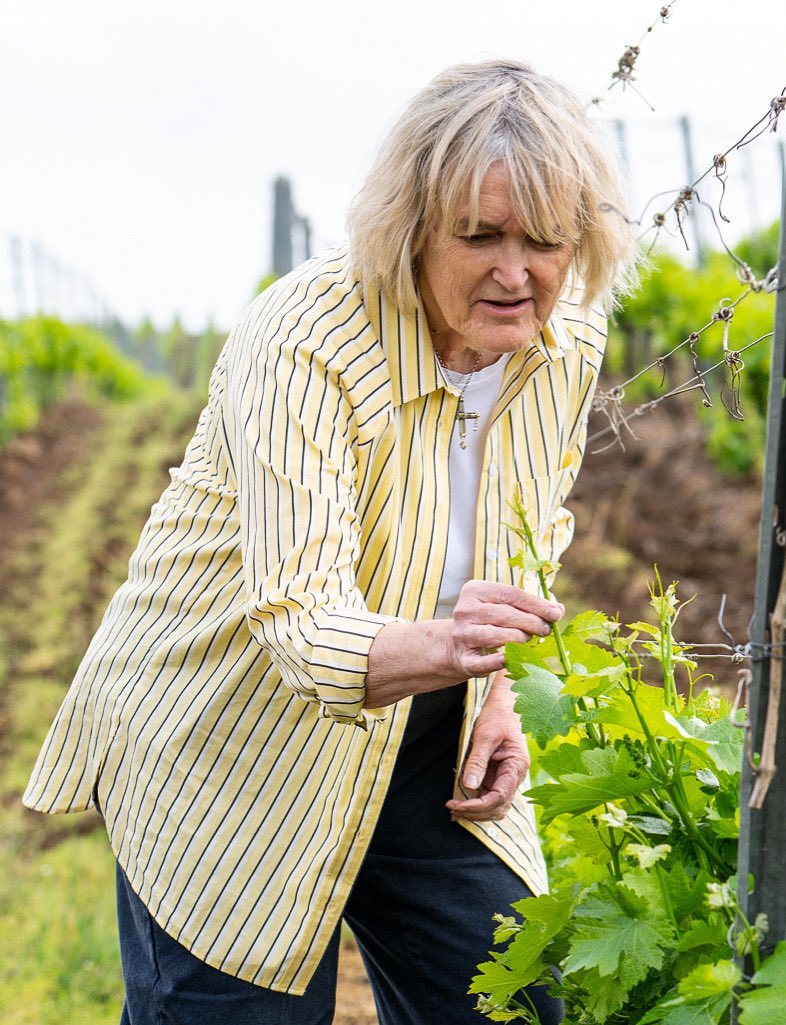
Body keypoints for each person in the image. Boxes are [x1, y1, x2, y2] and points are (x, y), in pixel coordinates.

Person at [24, 59, 638, 1024]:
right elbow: (299, 619)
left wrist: (497, 695)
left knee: (516, 1004)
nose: (515, 272)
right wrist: (456, 648)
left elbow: (529, 519)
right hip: (228, 743)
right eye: (479, 236)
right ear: (411, 229)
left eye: (544, 240)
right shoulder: (306, 337)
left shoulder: (567, 338)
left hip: (426, 735)